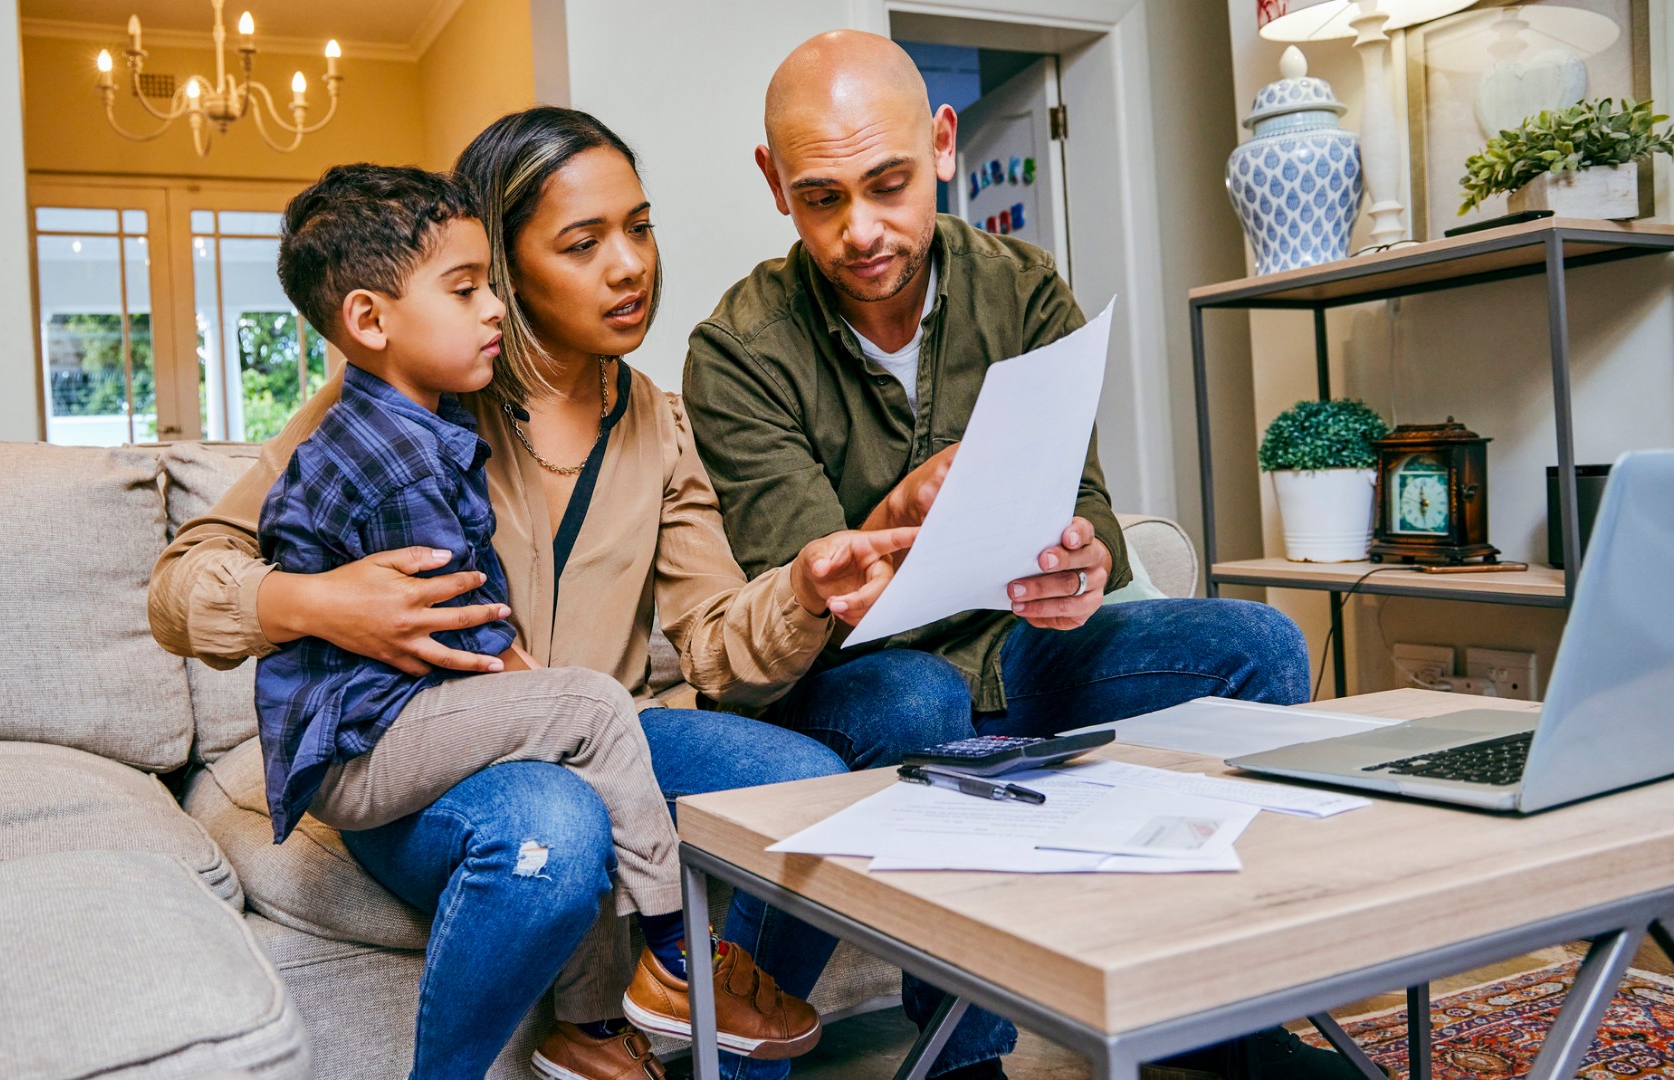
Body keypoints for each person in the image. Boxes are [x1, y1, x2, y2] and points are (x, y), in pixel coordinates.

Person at [149, 109, 914, 1080]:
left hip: (600, 726)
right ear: (504, 268)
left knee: (808, 786)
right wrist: (317, 603)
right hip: (430, 750)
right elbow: (181, 586)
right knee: (555, 821)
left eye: (639, 228)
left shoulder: (662, 428)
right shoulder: (406, 394)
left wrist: (807, 590)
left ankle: (708, 1016)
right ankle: (603, 1011)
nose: (630, 265)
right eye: (584, 243)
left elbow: (719, 644)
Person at [680, 30, 1350, 1080]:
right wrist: (899, 508)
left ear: (943, 145)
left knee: (1256, 644)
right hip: (866, 684)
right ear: (774, 185)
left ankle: (1221, 1014)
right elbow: (800, 588)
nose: (861, 230)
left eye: (889, 183)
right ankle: (960, 1059)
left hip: (1017, 655)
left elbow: (1085, 498)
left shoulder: (1024, 285)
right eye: (822, 198)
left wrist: (1086, 558)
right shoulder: (736, 349)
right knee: (915, 703)